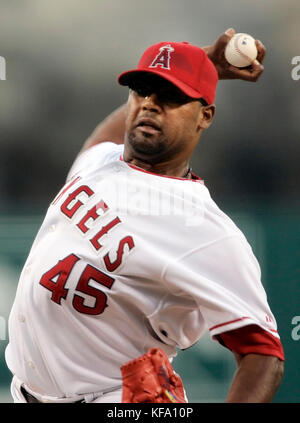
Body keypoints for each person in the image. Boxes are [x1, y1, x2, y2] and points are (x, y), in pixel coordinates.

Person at [5, 28, 284, 404]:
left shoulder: (208, 232)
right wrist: (205, 66)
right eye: (142, 91)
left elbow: (263, 354)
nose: (150, 104)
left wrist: (200, 71)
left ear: (205, 116)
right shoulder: (102, 160)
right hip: (24, 391)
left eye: (170, 96)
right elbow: (100, 139)